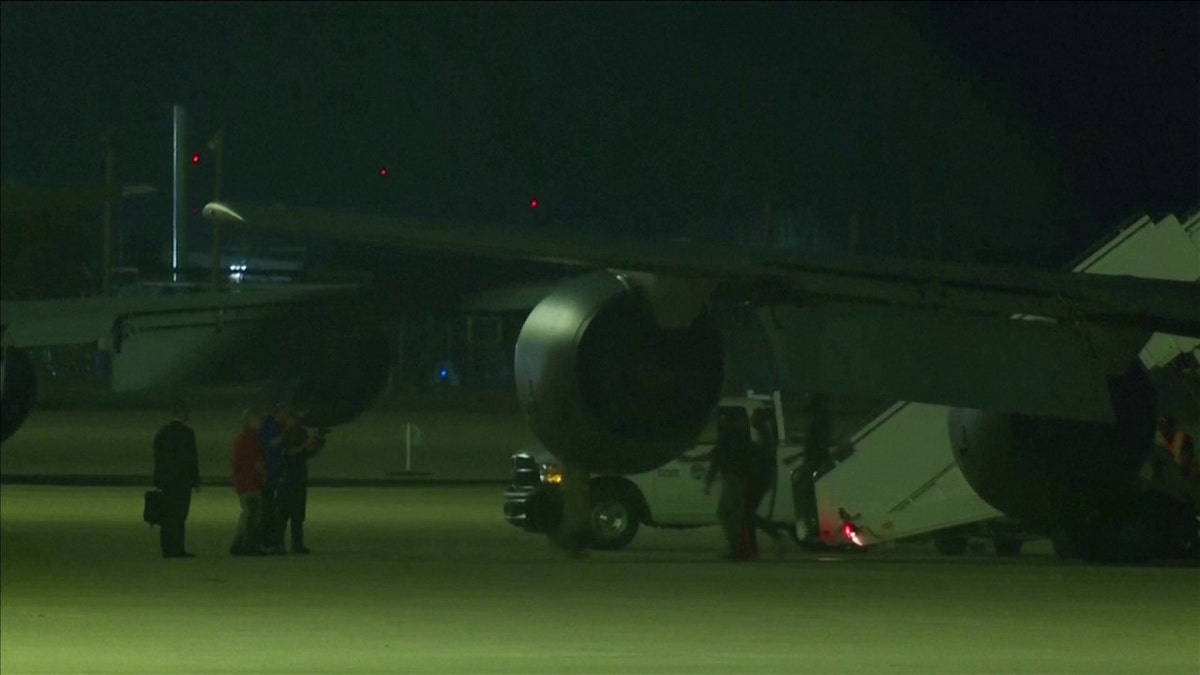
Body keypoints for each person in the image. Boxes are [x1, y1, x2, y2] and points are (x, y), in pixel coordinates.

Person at [705, 408, 757, 560]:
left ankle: (737, 547)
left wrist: (709, 480)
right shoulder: (743, 438)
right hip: (740, 480)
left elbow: (716, 458)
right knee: (733, 513)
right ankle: (740, 547)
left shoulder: (728, 437)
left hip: (732, 480)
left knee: (728, 513)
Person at [153, 399, 200, 558]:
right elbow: (191, 459)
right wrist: (195, 480)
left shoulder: (162, 432)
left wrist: (158, 479)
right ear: (181, 412)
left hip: (167, 481)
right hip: (182, 481)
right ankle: (178, 548)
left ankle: (167, 548)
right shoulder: (187, 433)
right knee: (180, 515)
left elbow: (158, 458)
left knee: (166, 516)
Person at [276, 407, 325, 554]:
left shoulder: (301, 433)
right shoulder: (282, 433)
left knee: (297, 514)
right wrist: (306, 445)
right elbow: (287, 452)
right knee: (282, 514)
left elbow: (306, 453)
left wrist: (318, 442)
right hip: (286, 477)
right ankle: (279, 544)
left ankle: (297, 543)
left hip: (298, 477)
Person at [793, 392, 831, 548]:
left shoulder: (819, 420)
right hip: (815, 461)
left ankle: (814, 530)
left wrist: (810, 464)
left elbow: (818, 446)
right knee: (809, 496)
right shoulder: (822, 419)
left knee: (805, 496)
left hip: (815, 462)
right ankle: (814, 528)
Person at [230, 408, 266, 556]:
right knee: (252, 515)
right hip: (249, 483)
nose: (259, 422)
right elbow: (250, 462)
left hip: (248, 482)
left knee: (248, 515)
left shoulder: (247, 439)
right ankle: (249, 546)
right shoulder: (249, 439)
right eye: (256, 420)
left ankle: (239, 545)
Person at [260, 404, 286, 554]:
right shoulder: (271, 425)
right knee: (270, 509)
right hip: (271, 473)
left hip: (274, 472)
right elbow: (272, 443)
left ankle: (272, 541)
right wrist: (287, 432)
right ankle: (269, 541)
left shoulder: (272, 425)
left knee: (272, 509)